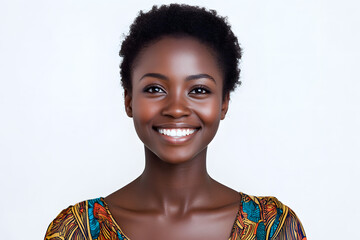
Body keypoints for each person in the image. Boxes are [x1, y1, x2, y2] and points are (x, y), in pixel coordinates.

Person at [45, 4, 306, 240]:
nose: (177, 109)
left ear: (224, 103)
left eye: (199, 90)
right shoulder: (76, 231)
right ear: (129, 100)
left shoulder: (273, 228)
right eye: (155, 89)